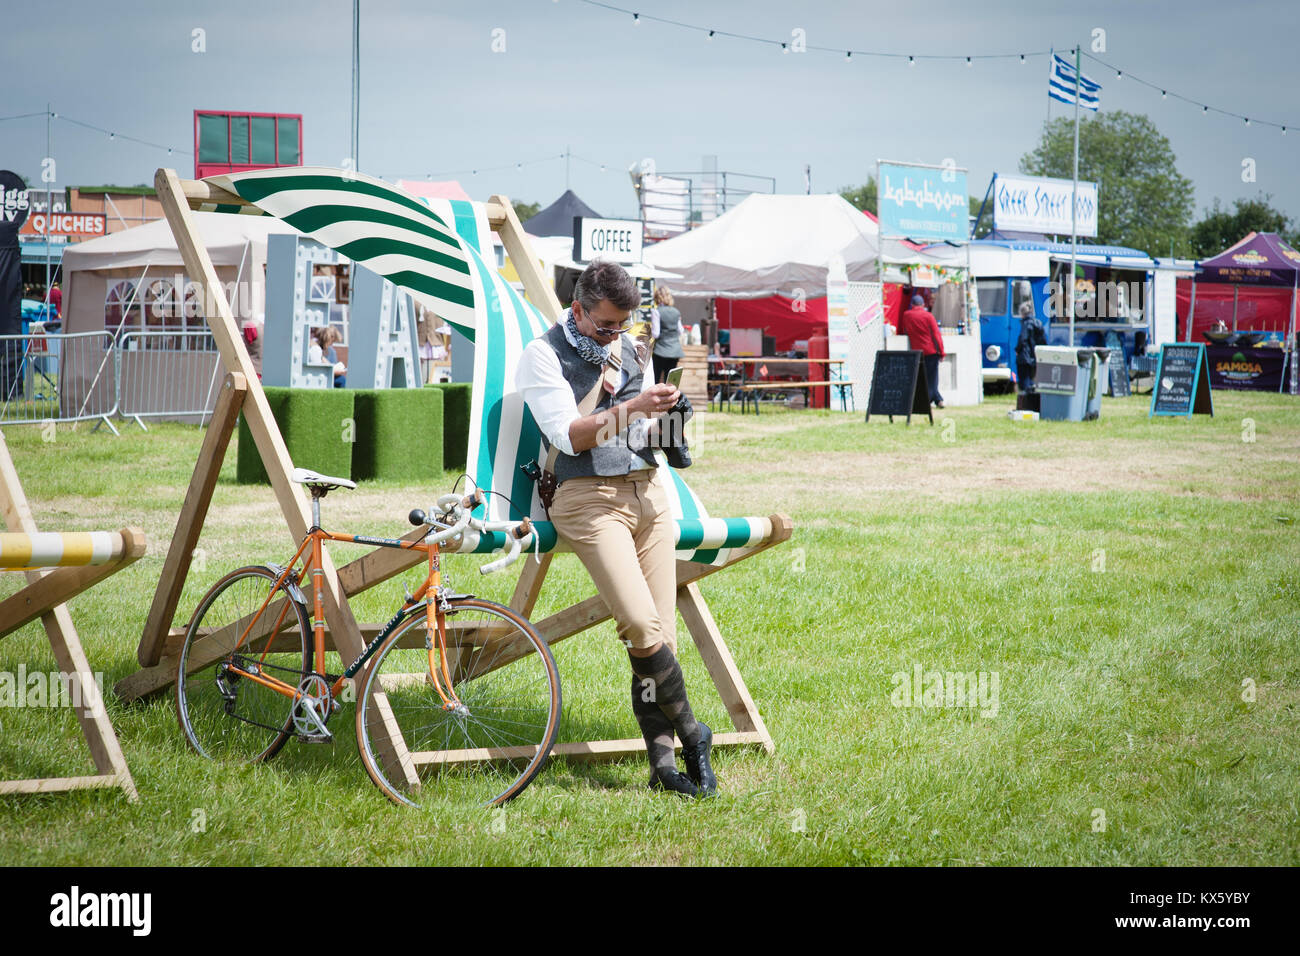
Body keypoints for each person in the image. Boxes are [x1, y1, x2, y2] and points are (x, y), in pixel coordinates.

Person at [515, 260, 715, 798]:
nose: (615, 337)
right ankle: (696, 735)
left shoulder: (630, 348)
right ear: (577, 308)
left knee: (661, 639)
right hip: (587, 501)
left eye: (622, 326)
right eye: (604, 326)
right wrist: (632, 407)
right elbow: (569, 436)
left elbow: (643, 430)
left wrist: (670, 416)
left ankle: (663, 766)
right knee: (642, 629)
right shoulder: (541, 354)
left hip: (649, 494)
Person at [897, 293, 945, 408]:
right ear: (923, 304)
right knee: (932, 378)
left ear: (912, 304)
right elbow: (936, 335)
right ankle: (928, 401)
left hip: (916, 352)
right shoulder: (928, 316)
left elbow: (905, 329)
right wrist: (942, 352)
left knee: (923, 378)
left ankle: (939, 400)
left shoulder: (906, 315)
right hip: (931, 351)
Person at [650, 285, 684, 384]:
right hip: (675, 350)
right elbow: (680, 331)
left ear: (657, 297)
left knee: (656, 380)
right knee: (671, 381)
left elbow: (656, 334)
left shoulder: (656, 312)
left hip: (660, 350)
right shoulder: (676, 312)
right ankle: (670, 399)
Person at [1015, 301, 1047, 393]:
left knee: (1024, 380)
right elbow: (1043, 341)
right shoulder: (1038, 323)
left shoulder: (1026, 324)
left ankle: (1025, 400)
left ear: (1022, 313)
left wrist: (1017, 350)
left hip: (1024, 356)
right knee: (1033, 380)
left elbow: (1023, 339)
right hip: (1035, 356)